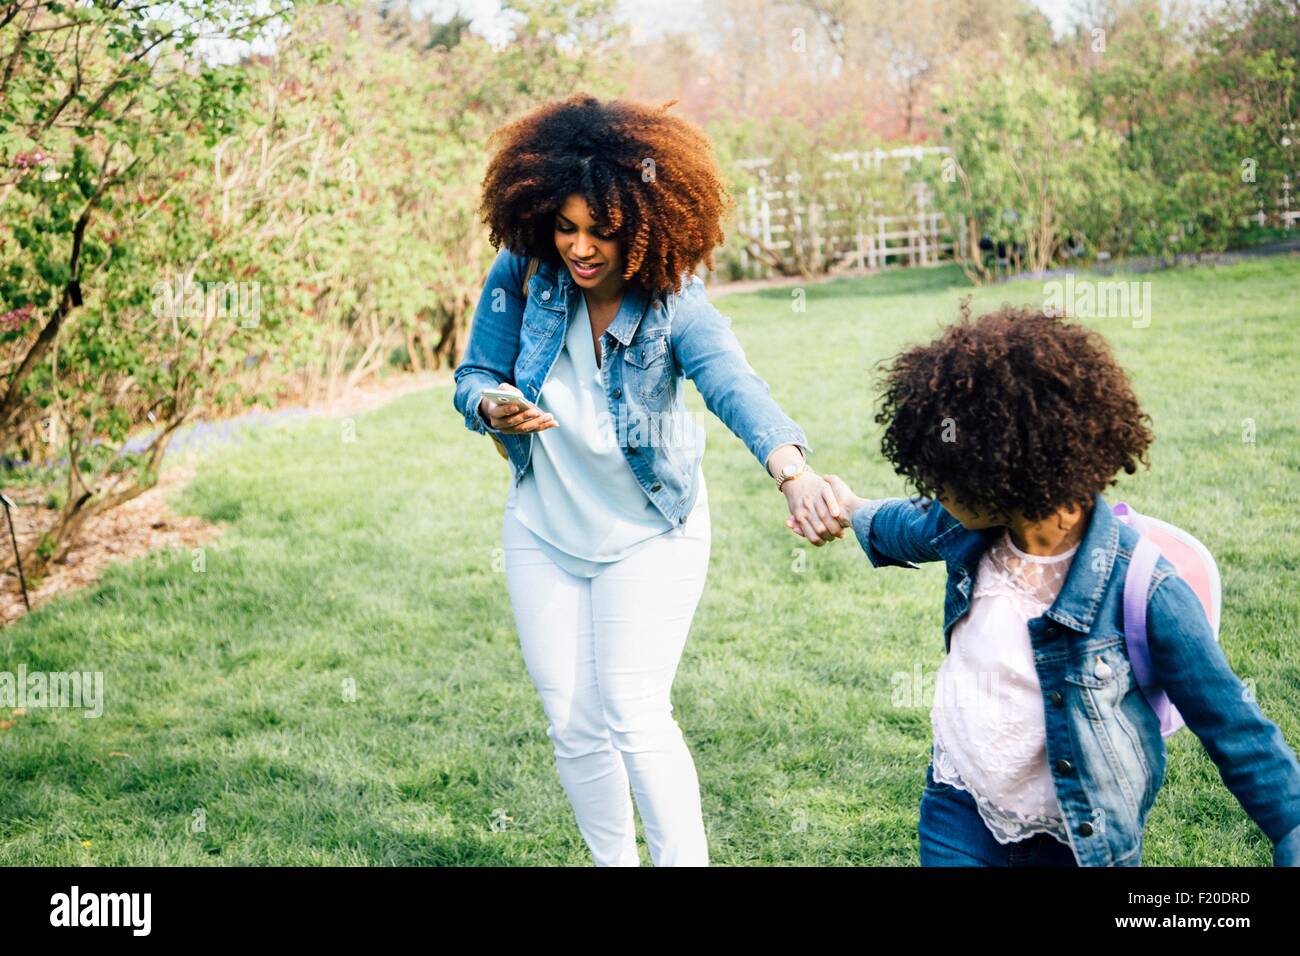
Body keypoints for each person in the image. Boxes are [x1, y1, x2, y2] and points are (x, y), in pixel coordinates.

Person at [452, 93, 849, 866]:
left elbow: (734, 385)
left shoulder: (673, 302)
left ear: (643, 222)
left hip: (649, 531)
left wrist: (792, 473)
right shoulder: (524, 269)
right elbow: (474, 373)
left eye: (601, 230)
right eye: (566, 227)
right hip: (543, 527)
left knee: (633, 708)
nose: (580, 247)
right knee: (571, 720)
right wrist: (490, 406)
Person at [796, 302, 1300, 866]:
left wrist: (1291, 827)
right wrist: (847, 507)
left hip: (1077, 836)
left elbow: (1233, 725)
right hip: (958, 804)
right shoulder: (966, 527)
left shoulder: (1144, 589)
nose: (931, 486)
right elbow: (901, 525)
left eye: (946, 475)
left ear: (1009, 470)